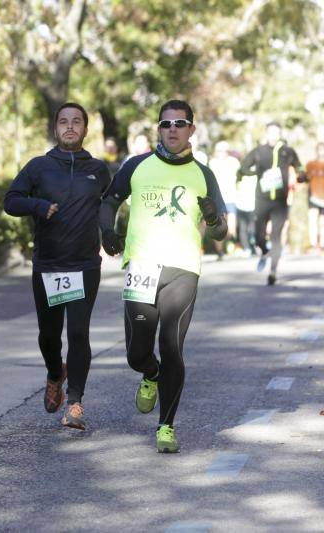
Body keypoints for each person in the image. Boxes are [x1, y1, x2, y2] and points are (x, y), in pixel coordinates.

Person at [99, 99, 228, 453]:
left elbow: (220, 233)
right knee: (137, 353)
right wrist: (107, 234)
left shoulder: (204, 174)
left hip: (183, 269)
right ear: (158, 129)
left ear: (192, 129)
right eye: (166, 124)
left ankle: (166, 427)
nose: (172, 129)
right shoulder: (137, 166)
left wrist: (214, 218)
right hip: (141, 266)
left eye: (180, 123)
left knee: (172, 347)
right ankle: (150, 374)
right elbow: (108, 201)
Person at [4, 103, 110, 430]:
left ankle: (75, 402)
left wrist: (111, 235)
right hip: (49, 265)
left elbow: (109, 207)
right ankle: (54, 372)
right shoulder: (39, 167)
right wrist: (37, 205)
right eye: (63, 122)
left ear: (85, 129)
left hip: (85, 264)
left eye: (76, 122)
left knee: (78, 333)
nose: (69, 127)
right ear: (55, 128)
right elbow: (11, 201)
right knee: (49, 336)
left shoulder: (99, 170)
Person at [239, 121, 303, 285]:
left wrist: (302, 175)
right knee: (259, 236)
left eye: (277, 132)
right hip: (262, 200)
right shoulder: (259, 151)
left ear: (280, 133)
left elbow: (299, 167)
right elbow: (244, 167)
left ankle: (273, 271)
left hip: (280, 202)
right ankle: (264, 251)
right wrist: (255, 172)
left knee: (276, 236)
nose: (274, 135)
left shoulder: (287, 151)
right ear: (266, 134)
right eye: (271, 132)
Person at [208, 141, 240, 258]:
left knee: (231, 226)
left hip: (231, 197)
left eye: (225, 151)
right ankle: (220, 251)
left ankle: (230, 243)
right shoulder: (212, 163)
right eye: (220, 150)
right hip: (216, 198)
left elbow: (239, 177)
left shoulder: (234, 162)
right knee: (219, 226)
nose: (222, 153)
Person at [305, 142, 324, 250]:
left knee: (322, 221)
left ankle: (322, 243)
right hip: (313, 196)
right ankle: (313, 243)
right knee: (312, 219)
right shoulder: (310, 164)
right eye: (320, 149)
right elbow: (305, 177)